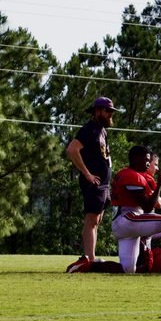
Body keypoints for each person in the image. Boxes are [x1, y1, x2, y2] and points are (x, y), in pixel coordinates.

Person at [65, 96, 120, 272]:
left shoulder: (102, 131)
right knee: (91, 220)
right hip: (93, 183)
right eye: (107, 111)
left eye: (111, 111)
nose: (110, 114)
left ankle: (92, 257)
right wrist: (86, 173)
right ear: (97, 111)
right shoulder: (89, 129)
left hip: (104, 184)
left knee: (97, 220)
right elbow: (72, 149)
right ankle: (88, 258)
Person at [110, 146, 161, 273]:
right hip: (129, 219)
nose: (148, 163)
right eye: (146, 160)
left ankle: (91, 265)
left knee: (128, 270)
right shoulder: (133, 176)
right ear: (136, 159)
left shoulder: (123, 173)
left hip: (121, 222)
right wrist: (159, 185)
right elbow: (148, 207)